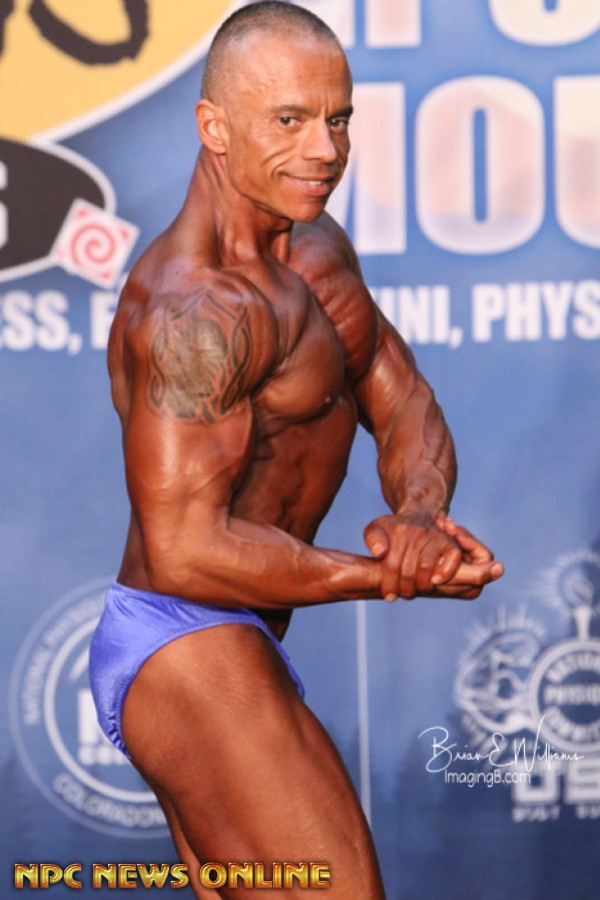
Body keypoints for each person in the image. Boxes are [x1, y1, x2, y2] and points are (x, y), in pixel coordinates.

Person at [89, 2, 504, 896]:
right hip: (185, 642)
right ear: (214, 127)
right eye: (289, 120)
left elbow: (405, 401)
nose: (324, 149)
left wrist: (419, 514)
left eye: (337, 119)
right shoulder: (196, 309)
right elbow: (185, 551)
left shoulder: (314, 249)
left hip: (236, 637)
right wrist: (385, 574)